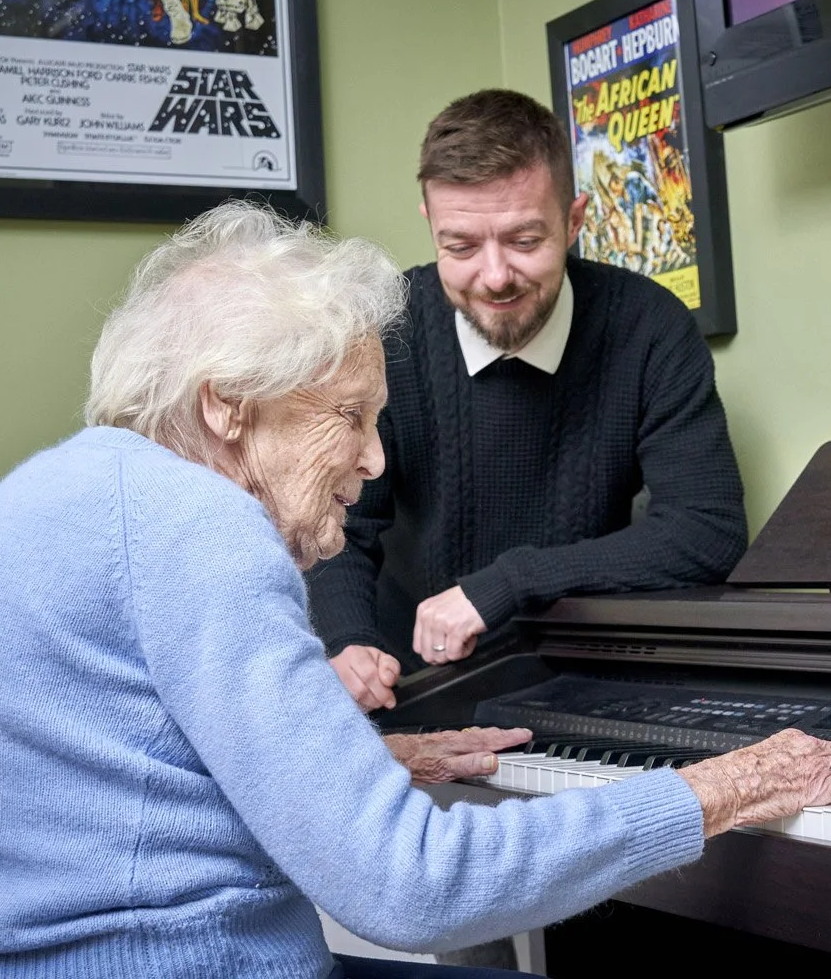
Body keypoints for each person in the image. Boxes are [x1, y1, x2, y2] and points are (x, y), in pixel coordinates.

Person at [0, 201, 831, 979]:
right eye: (348, 415)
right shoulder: (197, 526)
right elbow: (411, 886)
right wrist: (716, 789)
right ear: (227, 408)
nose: (376, 458)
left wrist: (350, 760)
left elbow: (128, 785)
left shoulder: (59, 490)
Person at [306, 89, 748, 713]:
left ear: (574, 220)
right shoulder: (388, 331)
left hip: (587, 686)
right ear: (430, 223)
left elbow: (708, 532)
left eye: (524, 240)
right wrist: (347, 642)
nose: (494, 276)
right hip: (412, 690)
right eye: (460, 247)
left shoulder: (649, 328)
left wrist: (508, 584)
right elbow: (341, 529)